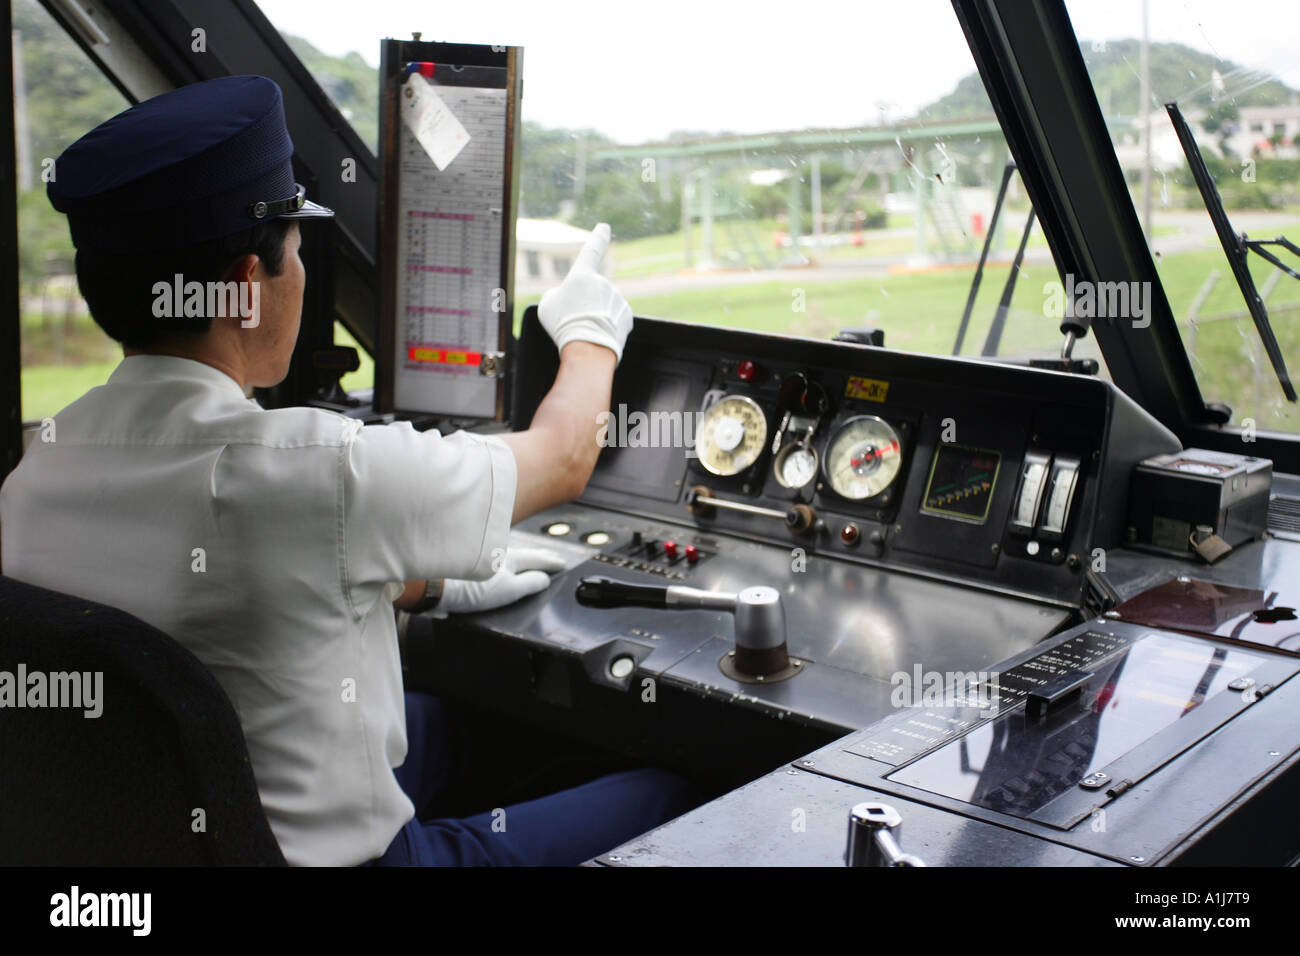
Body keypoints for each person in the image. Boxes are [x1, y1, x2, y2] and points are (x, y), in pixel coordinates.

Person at [0, 75, 693, 866]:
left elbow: (209, 584)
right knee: (683, 793)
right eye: (294, 248)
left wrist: (419, 584)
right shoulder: (318, 472)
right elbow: (563, 458)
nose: (300, 274)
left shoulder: (37, 470)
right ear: (244, 288)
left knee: (473, 729)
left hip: (177, 842)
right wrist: (591, 333)